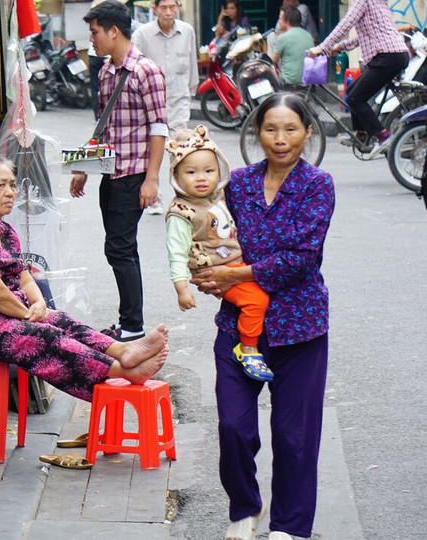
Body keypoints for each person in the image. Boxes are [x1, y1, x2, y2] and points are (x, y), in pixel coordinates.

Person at [189, 93, 334, 540]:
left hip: (299, 326)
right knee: (233, 426)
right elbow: (216, 237)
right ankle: (245, 507)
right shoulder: (239, 184)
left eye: (291, 129)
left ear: (308, 133)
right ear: (257, 133)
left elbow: (301, 257)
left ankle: (289, 526)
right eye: (271, 129)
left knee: (295, 436)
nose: (280, 139)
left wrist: (238, 272)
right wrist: (200, 271)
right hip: (239, 325)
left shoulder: (317, 184)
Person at [0, 154, 168, 407]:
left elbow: (25, 278)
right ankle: (122, 370)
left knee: (63, 320)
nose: (10, 192)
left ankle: (123, 350)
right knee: (46, 333)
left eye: (12, 185)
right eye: (0, 185)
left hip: (9, 315)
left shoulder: (5, 231)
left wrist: (39, 304)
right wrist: (27, 314)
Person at [72, 1, 167, 341]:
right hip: (110, 174)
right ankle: (131, 322)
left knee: (118, 248)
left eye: (95, 32)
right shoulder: (105, 71)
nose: (91, 39)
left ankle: (132, 326)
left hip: (135, 174)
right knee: (124, 248)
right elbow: (103, 127)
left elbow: (159, 128)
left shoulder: (147, 71)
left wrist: (153, 179)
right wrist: (83, 167)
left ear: (114, 31)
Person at [163, 126, 273, 383]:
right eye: (191, 172)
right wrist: (182, 289)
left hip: (235, 264)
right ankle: (247, 348)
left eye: (209, 171)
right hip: (215, 270)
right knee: (257, 301)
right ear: (176, 176)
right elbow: (176, 254)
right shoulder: (181, 213)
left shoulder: (217, 195)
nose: (201, 178)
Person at [308, 0, 409, 155]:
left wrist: (322, 47)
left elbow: (345, 24)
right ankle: (363, 136)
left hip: (387, 56)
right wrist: (339, 47)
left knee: (355, 98)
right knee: (352, 91)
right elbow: (364, 36)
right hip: (394, 55)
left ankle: (383, 137)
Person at [132, 0, 199, 132]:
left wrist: (190, 92)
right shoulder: (142, 34)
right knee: (156, 145)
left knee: (179, 145)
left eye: (172, 7)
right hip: (151, 102)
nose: (168, 12)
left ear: (178, 8)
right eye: (163, 8)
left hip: (179, 100)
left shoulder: (187, 31)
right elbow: (133, 65)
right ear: (154, 9)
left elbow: (192, 64)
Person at [271, 6, 315, 87]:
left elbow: (273, 61)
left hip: (288, 84)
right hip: (307, 84)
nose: (279, 21)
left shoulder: (283, 37)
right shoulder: (309, 35)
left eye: (280, 18)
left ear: (287, 21)